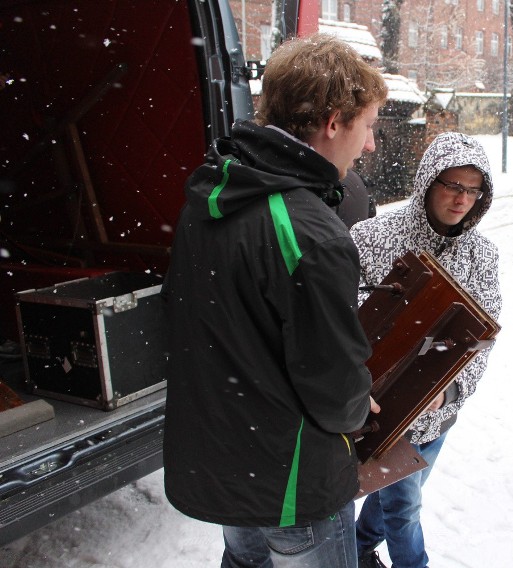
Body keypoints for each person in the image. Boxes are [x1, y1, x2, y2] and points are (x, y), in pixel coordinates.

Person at [161, 34, 388, 567]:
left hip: (227, 466)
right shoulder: (309, 230)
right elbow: (333, 385)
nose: (371, 145)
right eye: (369, 126)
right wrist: (360, 405)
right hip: (289, 485)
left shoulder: (209, 196)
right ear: (334, 122)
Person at [350, 132, 502, 568]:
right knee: (403, 507)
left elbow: (484, 339)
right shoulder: (371, 236)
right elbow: (342, 319)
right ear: (427, 182)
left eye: (473, 190)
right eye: (452, 185)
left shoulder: (482, 256)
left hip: (435, 415)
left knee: (396, 493)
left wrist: (447, 392)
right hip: (374, 408)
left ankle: (360, 549)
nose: (462, 199)